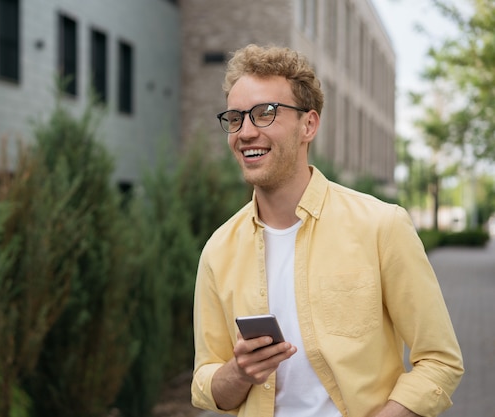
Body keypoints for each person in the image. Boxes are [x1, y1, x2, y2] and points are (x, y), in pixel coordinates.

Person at [191, 44, 463, 417]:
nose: (246, 131)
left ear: (309, 124)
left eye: (264, 113)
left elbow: (440, 362)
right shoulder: (217, 250)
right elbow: (206, 383)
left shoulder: (381, 225)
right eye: (235, 118)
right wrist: (238, 372)